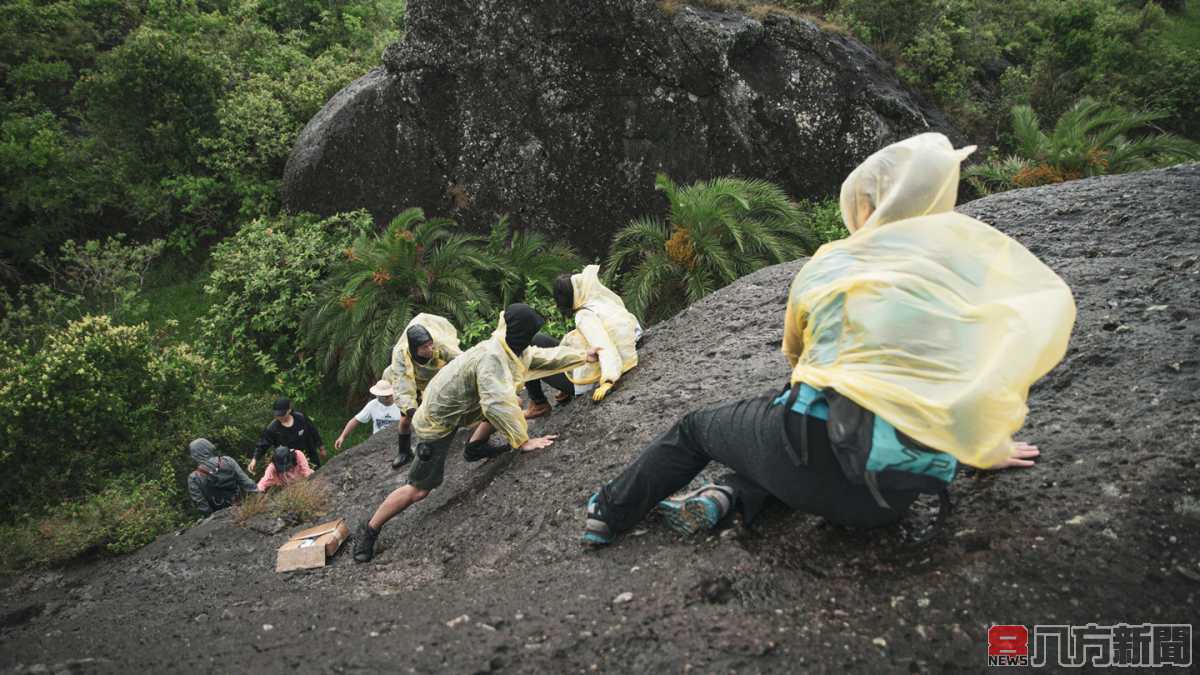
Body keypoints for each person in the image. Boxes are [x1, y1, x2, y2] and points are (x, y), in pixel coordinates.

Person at [581, 133, 1076, 546]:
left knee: (711, 425)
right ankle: (728, 496)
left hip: (811, 462)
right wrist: (984, 447)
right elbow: (981, 374)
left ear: (865, 205)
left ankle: (609, 511)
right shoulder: (957, 274)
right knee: (788, 419)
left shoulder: (832, 265)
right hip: (887, 500)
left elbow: (797, 357)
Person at [353, 303, 601, 562]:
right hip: (437, 422)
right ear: (520, 333)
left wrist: (584, 355)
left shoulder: (509, 347)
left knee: (513, 401)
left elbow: (539, 357)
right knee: (419, 489)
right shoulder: (492, 358)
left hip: (466, 407)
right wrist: (523, 441)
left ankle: (476, 446)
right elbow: (494, 404)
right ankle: (370, 528)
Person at [537, 263, 641, 416]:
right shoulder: (599, 301)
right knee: (543, 341)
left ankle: (537, 403)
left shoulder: (584, 316)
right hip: (618, 351)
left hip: (592, 377)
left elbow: (604, 346)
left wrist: (608, 380)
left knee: (529, 345)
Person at [383, 313, 463, 468]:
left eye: (430, 344)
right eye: (424, 347)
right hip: (411, 380)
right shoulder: (401, 354)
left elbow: (461, 360)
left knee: (438, 411)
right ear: (414, 348)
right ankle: (404, 452)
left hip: (435, 377)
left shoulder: (439, 345)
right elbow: (403, 386)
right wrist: (415, 413)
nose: (429, 349)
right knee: (406, 418)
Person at [250, 398, 327, 474]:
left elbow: (313, 432)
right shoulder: (272, 429)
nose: (280, 417)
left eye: (282, 414)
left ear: (289, 410)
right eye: (277, 415)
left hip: (310, 455)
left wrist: (321, 448)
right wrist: (254, 460)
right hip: (292, 463)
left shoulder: (301, 418)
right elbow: (262, 444)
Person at [187, 438, 258, 516]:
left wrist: (211, 518)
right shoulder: (228, 460)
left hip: (219, 516)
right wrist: (260, 496)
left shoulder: (194, 478)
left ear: (194, 455)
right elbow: (247, 483)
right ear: (209, 447)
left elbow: (202, 505)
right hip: (241, 508)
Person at [333, 379, 404, 454]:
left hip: (396, 442)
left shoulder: (401, 405)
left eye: (381, 396)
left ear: (388, 396)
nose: (378, 397)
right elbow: (355, 420)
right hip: (377, 442)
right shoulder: (373, 404)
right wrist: (342, 437)